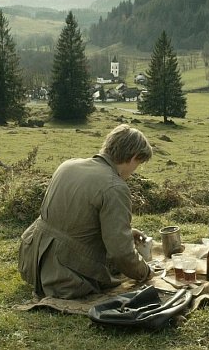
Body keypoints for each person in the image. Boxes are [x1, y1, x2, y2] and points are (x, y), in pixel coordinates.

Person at [18, 124, 155, 299]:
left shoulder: (68, 165)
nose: (135, 171)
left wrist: (127, 234)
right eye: (138, 164)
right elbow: (121, 253)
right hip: (66, 279)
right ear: (134, 157)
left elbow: (75, 222)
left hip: (31, 263)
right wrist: (145, 272)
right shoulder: (115, 187)